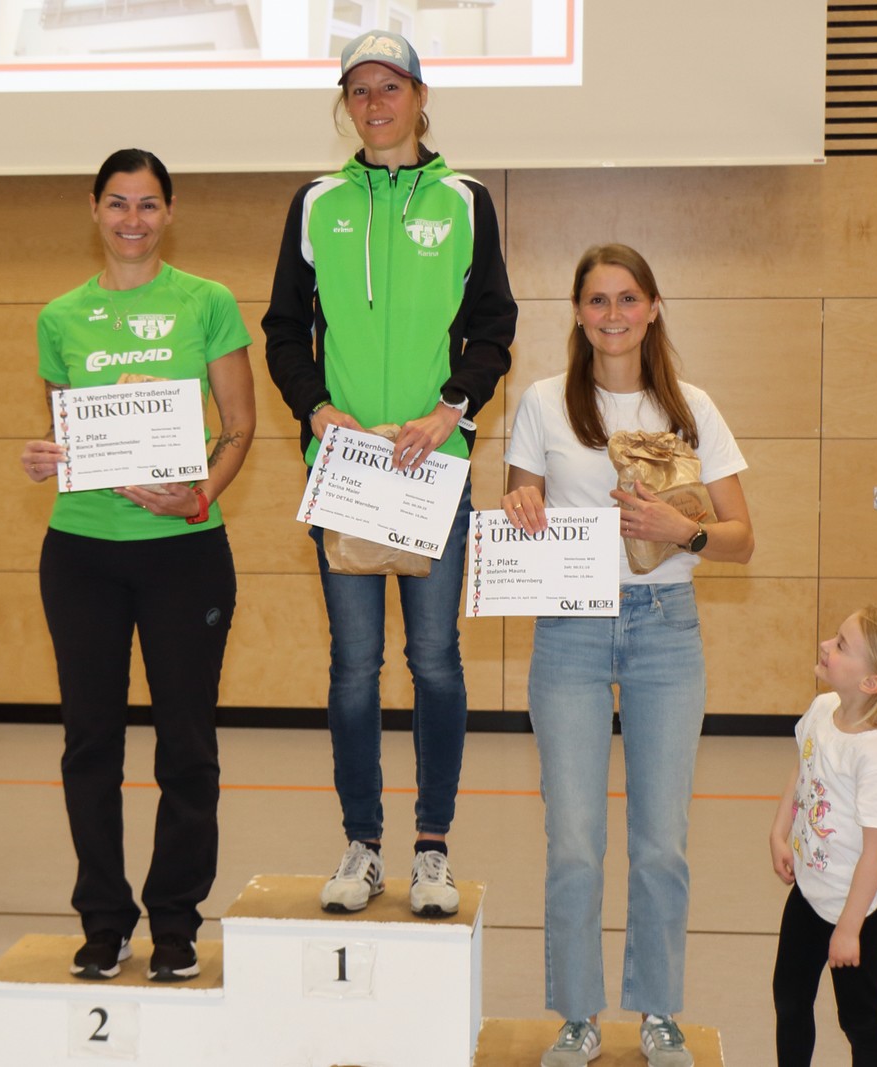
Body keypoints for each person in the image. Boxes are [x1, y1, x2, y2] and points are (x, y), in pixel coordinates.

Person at [262, 29, 516, 918]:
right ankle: (362, 845)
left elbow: (494, 326)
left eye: (391, 86)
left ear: (419, 96)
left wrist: (450, 409)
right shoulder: (316, 203)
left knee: (436, 662)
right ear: (346, 104)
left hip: (432, 470)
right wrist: (315, 409)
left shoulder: (467, 200)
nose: (375, 103)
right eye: (360, 89)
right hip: (346, 470)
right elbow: (283, 330)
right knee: (353, 668)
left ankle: (433, 847)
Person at [501, 244, 754, 1067]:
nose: (613, 314)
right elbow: (519, 502)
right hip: (569, 631)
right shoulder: (543, 403)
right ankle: (577, 1014)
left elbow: (742, 537)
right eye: (597, 300)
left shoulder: (693, 408)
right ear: (578, 314)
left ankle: (658, 1011)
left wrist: (684, 530)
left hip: (664, 628)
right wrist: (521, 501)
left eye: (627, 298)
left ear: (652, 308)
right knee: (574, 838)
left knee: (661, 841)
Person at [21, 148, 255, 983]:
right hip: (81, 552)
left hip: (186, 555)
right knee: (91, 742)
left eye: (148, 203)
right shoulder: (59, 316)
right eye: (118, 203)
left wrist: (199, 496)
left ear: (169, 212)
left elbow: (238, 427)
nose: (132, 219)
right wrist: (48, 456)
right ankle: (103, 917)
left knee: (187, 743)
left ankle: (177, 919)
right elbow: (72, 434)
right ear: (94, 209)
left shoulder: (207, 301)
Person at [770, 607, 877, 1067]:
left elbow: (876, 853)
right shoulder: (823, 709)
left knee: (859, 1019)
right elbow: (803, 769)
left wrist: (848, 928)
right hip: (810, 891)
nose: (826, 645)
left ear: (871, 683)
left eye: (841, 644)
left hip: (859, 904)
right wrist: (779, 832)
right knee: (789, 998)